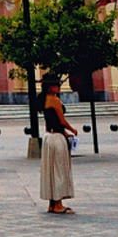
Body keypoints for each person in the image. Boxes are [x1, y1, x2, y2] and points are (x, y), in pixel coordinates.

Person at [39, 73, 77, 215]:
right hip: (57, 139)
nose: (59, 87)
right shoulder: (54, 100)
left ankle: (51, 203)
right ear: (50, 87)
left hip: (49, 136)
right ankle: (58, 204)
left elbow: (51, 121)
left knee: (50, 170)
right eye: (57, 84)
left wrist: (65, 133)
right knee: (59, 170)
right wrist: (71, 129)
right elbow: (61, 120)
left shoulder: (44, 99)